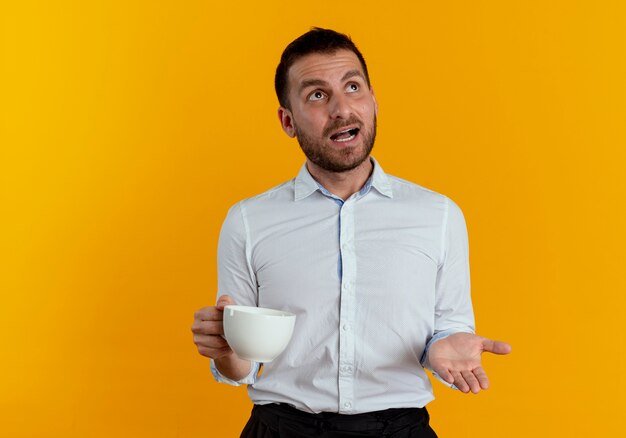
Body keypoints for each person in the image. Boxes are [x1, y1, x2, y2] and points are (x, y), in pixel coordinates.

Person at [191, 27, 511, 437]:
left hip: (399, 429)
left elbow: (449, 328)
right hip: (282, 428)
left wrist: (442, 348)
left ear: (373, 101)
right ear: (287, 121)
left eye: (353, 87)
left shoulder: (439, 215)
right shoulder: (248, 221)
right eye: (317, 95)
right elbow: (244, 365)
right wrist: (225, 352)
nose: (342, 109)